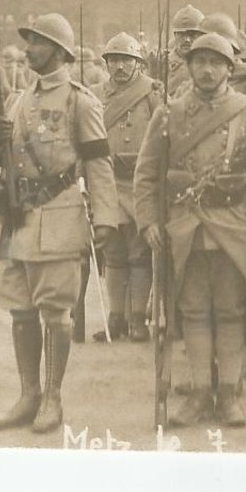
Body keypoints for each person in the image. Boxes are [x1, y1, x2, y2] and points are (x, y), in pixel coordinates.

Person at [0, 13, 120, 434]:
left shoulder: (80, 101)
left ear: (58, 50)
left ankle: (53, 397)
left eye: (36, 43)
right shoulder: (17, 101)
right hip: (15, 219)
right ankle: (28, 395)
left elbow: (98, 162)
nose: (27, 50)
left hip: (58, 217)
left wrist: (107, 219)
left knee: (56, 314)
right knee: (21, 312)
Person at [134, 32, 246, 427]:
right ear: (189, 66)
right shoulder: (169, 112)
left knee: (231, 311)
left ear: (229, 69)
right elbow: (147, 174)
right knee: (194, 311)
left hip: (234, 226)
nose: (207, 69)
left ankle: (230, 394)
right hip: (184, 228)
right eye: (199, 61)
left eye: (216, 62)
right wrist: (149, 220)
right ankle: (200, 393)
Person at [90, 31, 164, 341]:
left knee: (139, 251)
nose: (119, 67)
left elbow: (163, 134)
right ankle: (116, 316)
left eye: (126, 60)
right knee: (114, 252)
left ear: (139, 64)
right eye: (114, 60)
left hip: (139, 182)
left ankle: (138, 318)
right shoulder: (94, 94)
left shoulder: (151, 94)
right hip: (107, 180)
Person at [162, 5, 205, 89]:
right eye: (182, 34)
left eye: (192, 35)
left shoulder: (210, 64)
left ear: (202, 36)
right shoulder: (162, 64)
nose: (187, 40)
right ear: (175, 35)